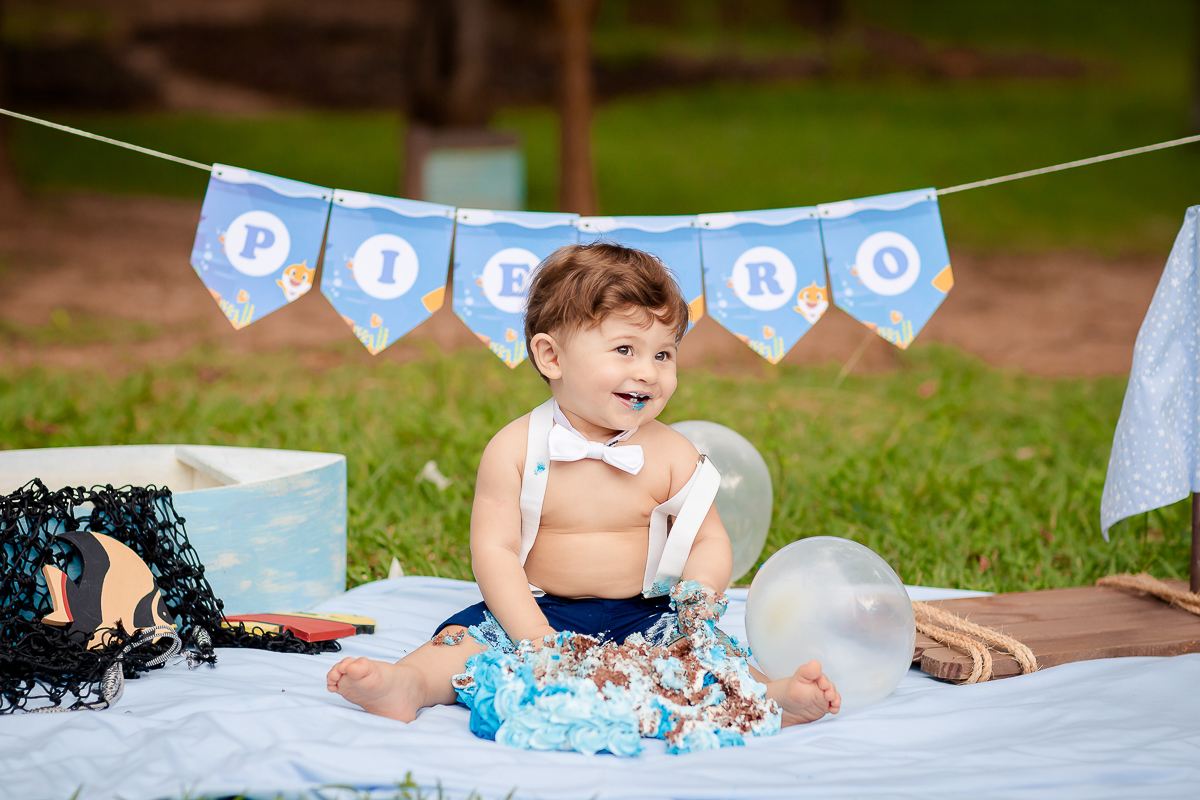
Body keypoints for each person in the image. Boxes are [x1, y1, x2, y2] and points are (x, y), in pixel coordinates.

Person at [327, 243, 840, 728]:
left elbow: (707, 537)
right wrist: (532, 634)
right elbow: (496, 550)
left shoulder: (671, 452)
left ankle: (767, 698)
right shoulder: (514, 450)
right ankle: (410, 685)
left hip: (646, 613)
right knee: (463, 644)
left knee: (703, 658)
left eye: (664, 354)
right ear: (552, 358)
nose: (648, 372)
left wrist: (698, 597)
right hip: (538, 606)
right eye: (625, 349)